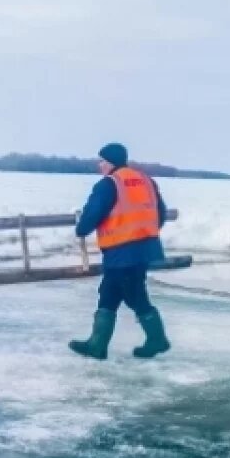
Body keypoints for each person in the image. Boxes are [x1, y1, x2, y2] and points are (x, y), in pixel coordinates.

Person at [69, 143, 171, 361]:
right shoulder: (146, 180)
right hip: (144, 248)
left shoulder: (109, 184)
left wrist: (81, 229)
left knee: (134, 295)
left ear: (111, 162)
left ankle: (157, 339)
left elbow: (93, 213)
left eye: (102, 161)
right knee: (109, 292)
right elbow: (159, 213)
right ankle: (97, 345)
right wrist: (145, 232)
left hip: (122, 251)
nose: (100, 165)